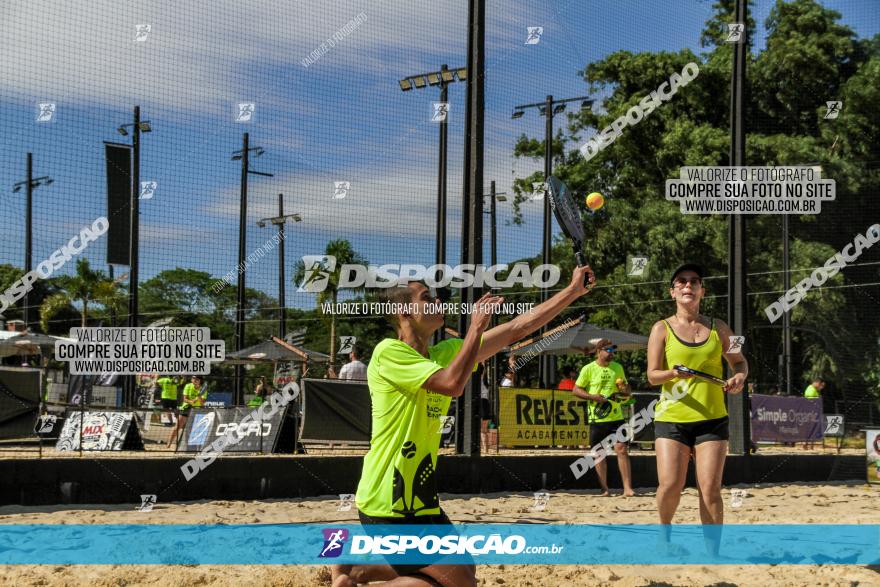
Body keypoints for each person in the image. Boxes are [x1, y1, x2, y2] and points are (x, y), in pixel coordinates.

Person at [331, 266, 595, 587]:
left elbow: (515, 329)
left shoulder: (446, 353)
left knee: (463, 572)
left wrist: (572, 291)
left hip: (421, 498)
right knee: (459, 582)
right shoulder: (390, 353)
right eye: (426, 297)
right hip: (388, 499)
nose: (437, 301)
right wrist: (475, 328)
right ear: (404, 311)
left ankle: (355, 572)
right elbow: (452, 383)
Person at [646, 263, 748, 556]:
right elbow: (652, 375)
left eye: (694, 281)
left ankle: (713, 554)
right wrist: (674, 374)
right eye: (681, 282)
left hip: (712, 420)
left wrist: (739, 376)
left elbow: (739, 362)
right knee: (669, 486)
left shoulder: (719, 327)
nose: (688, 285)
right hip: (672, 420)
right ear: (673, 292)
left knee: (710, 489)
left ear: (702, 291)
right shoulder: (661, 328)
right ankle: (664, 537)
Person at [571, 338, 634, 497]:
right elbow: (576, 390)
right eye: (609, 350)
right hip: (597, 418)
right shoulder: (588, 369)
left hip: (616, 416)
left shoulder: (618, 367)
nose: (612, 353)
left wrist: (624, 388)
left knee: (622, 449)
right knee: (599, 453)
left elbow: (627, 391)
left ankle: (627, 488)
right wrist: (593, 397)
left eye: (613, 350)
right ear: (599, 351)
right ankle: (605, 489)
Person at [167, 375, 207, 448]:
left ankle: (193, 446)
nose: (194, 380)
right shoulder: (188, 386)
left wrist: (199, 397)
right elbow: (185, 399)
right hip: (186, 408)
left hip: (197, 410)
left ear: (200, 381)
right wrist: (191, 401)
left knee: (194, 429)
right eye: (193, 378)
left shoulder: (203, 389)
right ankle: (169, 442)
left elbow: (202, 403)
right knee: (178, 427)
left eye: (196, 379)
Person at [802, 378, 825, 449]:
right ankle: (805, 443)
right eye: (821, 385)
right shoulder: (811, 390)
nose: (821, 387)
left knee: (811, 428)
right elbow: (813, 401)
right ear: (817, 383)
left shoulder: (814, 389)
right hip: (810, 412)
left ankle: (809, 445)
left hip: (812, 412)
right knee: (810, 428)